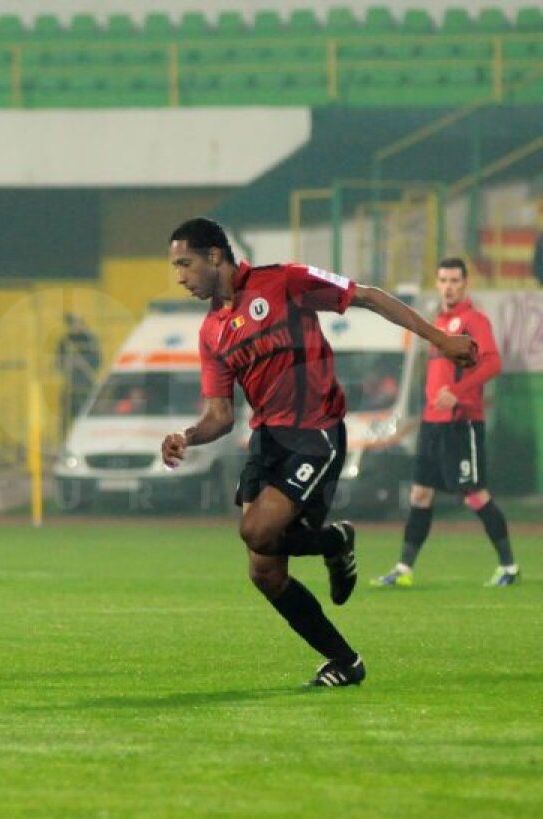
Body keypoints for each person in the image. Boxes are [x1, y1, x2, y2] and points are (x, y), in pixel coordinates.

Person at [160, 218, 476, 688]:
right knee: (264, 572)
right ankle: (346, 661)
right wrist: (187, 435)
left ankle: (334, 542)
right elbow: (220, 416)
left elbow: (367, 295)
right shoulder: (212, 332)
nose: (180, 276)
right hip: (266, 440)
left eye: (184, 263)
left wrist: (442, 341)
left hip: (316, 432)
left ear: (213, 256)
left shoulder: (283, 280)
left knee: (256, 531)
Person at [372, 257, 517, 588]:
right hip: (432, 423)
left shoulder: (474, 320)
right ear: (437, 284)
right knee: (420, 495)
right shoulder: (437, 322)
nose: (448, 286)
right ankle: (404, 568)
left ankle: (509, 566)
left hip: (461, 422)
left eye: (454, 280)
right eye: (443, 280)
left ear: (465, 284)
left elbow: (492, 363)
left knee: (474, 495)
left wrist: (458, 391)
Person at [56, 312, 100, 438]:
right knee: (65, 419)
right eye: (71, 324)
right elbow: (58, 363)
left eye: (76, 323)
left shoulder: (90, 340)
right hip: (70, 386)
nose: (74, 326)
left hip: (87, 385)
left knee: (87, 416)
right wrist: (67, 363)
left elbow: (97, 362)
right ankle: (66, 442)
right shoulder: (65, 341)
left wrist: (83, 363)